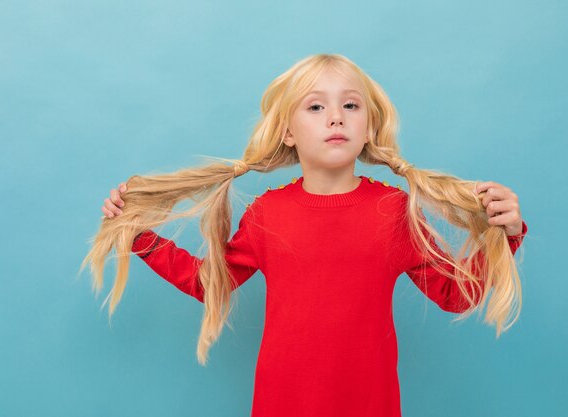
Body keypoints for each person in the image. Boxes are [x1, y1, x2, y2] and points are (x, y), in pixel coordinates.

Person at [82, 53, 528, 417]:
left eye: (350, 105)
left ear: (369, 125)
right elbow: (209, 282)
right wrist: (140, 235)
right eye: (316, 106)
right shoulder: (266, 213)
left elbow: (456, 295)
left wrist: (502, 236)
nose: (336, 117)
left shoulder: (395, 212)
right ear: (288, 131)